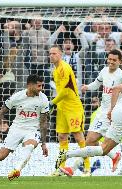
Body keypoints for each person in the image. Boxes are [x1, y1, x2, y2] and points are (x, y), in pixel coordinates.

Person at [66, 49, 122, 175]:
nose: (111, 62)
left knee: (89, 141)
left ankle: (72, 169)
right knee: (90, 140)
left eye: (114, 60)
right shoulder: (104, 71)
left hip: (114, 113)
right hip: (102, 111)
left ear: (120, 62)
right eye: (110, 59)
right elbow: (96, 84)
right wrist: (87, 87)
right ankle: (114, 156)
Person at [0, 74, 49, 180]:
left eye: (42, 86)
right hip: (16, 128)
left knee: (30, 146)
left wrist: (43, 143)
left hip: (32, 129)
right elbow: (1, 112)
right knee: (0, 156)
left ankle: (16, 170)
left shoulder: (43, 99)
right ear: (29, 85)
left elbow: (43, 122)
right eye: (38, 86)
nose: (41, 89)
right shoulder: (17, 96)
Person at [48, 45, 90, 176]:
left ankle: (87, 168)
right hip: (62, 107)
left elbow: (66, 90)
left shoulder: (65, 68)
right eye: (50, 53)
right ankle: (61, 168)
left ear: (60, 54)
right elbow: (60, 91)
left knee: (78, 136)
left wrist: (52, 102)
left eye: (54, 53)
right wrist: (56, 104)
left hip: (73, 107)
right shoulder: (54, 71)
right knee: (62, 137)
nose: (51, 55)